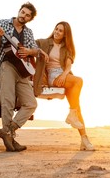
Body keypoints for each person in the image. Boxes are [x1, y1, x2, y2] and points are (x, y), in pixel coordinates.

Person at [34, 21, 95, 151]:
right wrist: (39, 51)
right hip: (51, 76)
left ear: (65, 34)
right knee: (78, 81)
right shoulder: (44, 42)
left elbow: (68, 65)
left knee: (77, 108)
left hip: (64, 76)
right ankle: (71, 116)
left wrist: (64, 75)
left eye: (60, 31)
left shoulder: (67, 48)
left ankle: (84, 140)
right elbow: (30, 46)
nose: (57, 32)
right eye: (56, 29)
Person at [0, 2, 41, 152]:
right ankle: (10, 139)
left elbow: (36, 50)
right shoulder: (3, 24)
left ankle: (8, 130)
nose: (23, 16)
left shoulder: (28, 32)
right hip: (7, 66)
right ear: (19, 11)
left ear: (30, 18)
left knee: (31, 104)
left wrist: (29, 52)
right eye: (22, 12)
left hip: (23, 71)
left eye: (27, 15)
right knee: (8, 101)